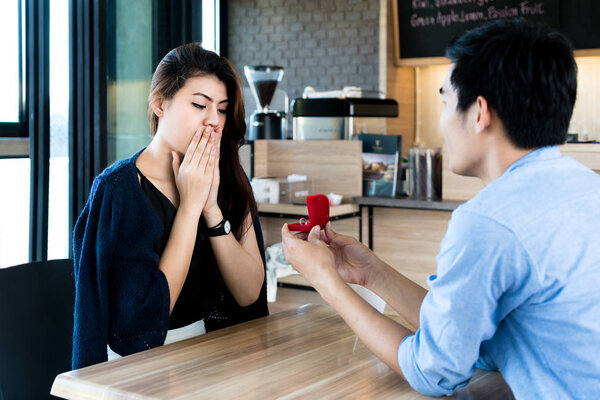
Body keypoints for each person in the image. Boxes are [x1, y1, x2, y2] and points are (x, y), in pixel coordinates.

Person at [281, 19, 600, 399]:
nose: (443, 119)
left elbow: (432, 371)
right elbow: (476, 346)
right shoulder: (585, 186)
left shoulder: (488, 222)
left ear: (479, 112)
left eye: (446, 101)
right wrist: (371, 273)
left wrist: (325, 282)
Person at [72, 44, 268, 369]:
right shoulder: (118, 190)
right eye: (199, 105)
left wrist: (210, 210)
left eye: (221, 109)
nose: (214, 121)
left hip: (214, 361)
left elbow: (249, 295)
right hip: (139, 370)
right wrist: (189, 209)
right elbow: (141, 328)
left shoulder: (229, 178)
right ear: (160, 103)